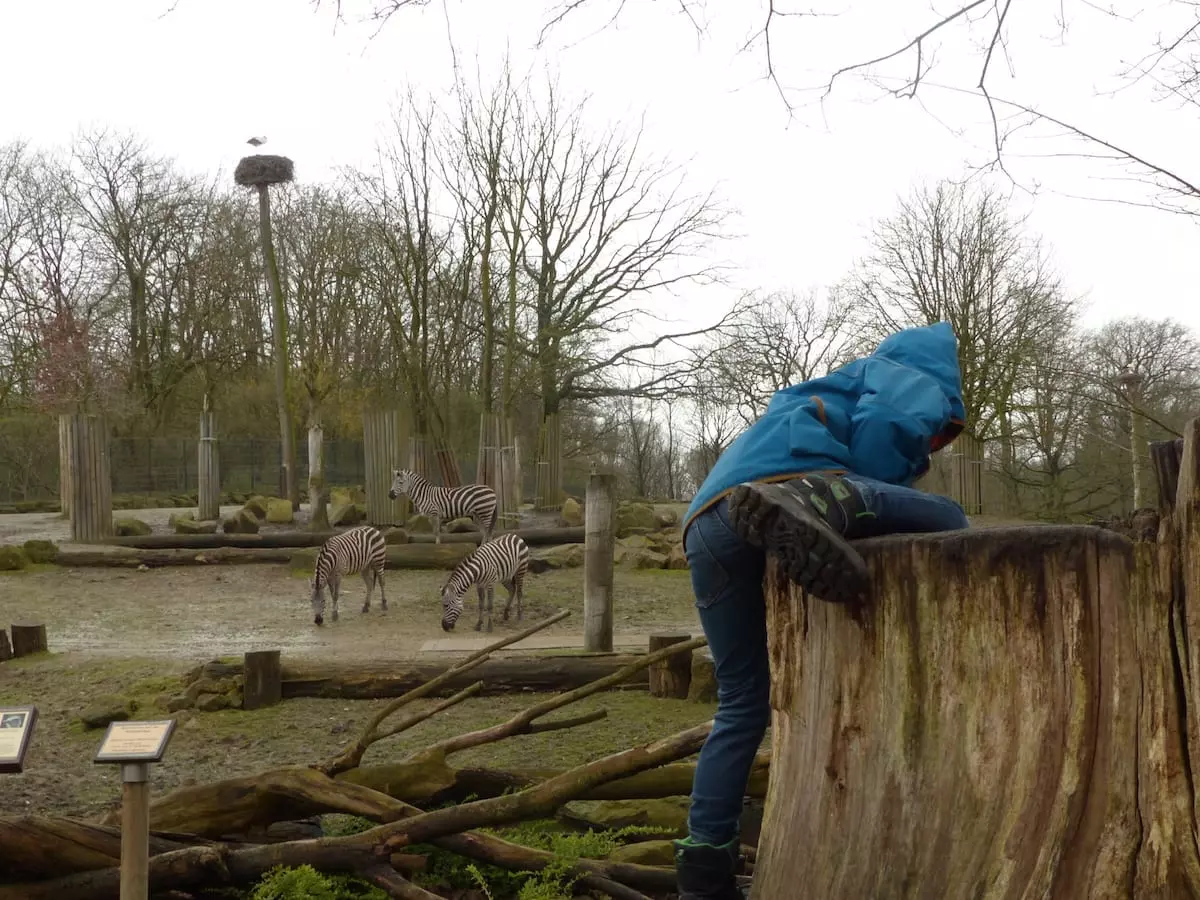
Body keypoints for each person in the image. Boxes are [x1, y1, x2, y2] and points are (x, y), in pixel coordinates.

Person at [673, 321, 971, 899]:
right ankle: (826, 499)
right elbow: (888, 424)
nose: (936, 440)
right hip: (786, 482)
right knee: (950, 516)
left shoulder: (828, 390)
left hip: (706, 525)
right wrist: (880, 494)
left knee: (741, 705)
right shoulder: (913, 373)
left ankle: (703, 872)